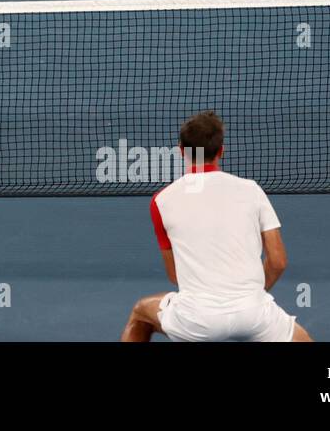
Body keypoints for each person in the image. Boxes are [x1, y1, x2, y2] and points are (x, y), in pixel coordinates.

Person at [121, 110, 312, 342]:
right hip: (254, 314)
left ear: (181, 150)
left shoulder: (160, 201)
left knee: (141, 313)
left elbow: (175, 276)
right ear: (221, 150)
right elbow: (278, 261)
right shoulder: (252, 190)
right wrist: (251, 293)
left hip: (196, 321)